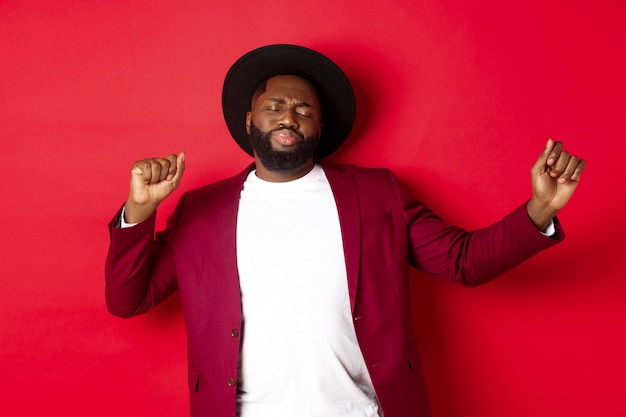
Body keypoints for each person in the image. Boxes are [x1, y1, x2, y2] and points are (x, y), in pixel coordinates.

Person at [105, 44, 585, 417]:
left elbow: (465, 262)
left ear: (320, 126)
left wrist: (538, 209)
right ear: (250, 120)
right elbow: (128, 300)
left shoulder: (376, 195)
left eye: (305, 109)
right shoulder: (201, 210)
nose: (289, 116)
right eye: (275, 106)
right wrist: (139, 210)